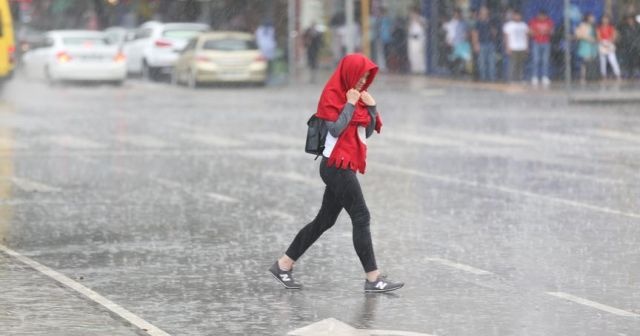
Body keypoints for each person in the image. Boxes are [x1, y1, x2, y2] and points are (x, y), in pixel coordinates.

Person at [268, 53, 404, 293]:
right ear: (349, 73)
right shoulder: (332, 95)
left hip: (345, 165)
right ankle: (373, 278)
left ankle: (283, 265)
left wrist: (371, 108)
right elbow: (336, 129)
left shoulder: (358, 96)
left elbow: (366, 133)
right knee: (361, 217)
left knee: (324, 220)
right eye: (360, 76)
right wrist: (350, 104)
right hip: (335, 167)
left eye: (366, 77)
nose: (363, 81)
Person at [471, 6, 499, 81]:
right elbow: (474, 33)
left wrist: (491, 26)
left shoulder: (491, 22)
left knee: (491, 62)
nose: (484, 14)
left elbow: (495, 33)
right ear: (480, 13)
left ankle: (492, 78)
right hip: (481, 44)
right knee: (482, 62)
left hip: (490, 44)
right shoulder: (477, 23)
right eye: (483, 12)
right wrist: (476, 44)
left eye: (486, 12)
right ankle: (483, 78)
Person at [528, 10, 554, 86]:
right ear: (538, 15)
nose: (542, 17)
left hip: (546, 42)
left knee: (545, 60)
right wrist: (539, 32)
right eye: (541, 16)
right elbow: (530, 32)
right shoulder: (533, 21)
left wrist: (545, 32)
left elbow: (552, 32)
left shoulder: (549, 21)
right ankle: (534, 77)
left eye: (544, 16)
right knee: (536, 60)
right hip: (536, 42)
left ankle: (545, 77)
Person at [503, 11, 529, 82]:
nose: (517, 17)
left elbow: (526, 36)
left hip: (522, 47)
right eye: (516, 15)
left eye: (519, 15)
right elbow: (506, 37)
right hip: (513, 47)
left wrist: (527, 46)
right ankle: (511, 79)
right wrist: (507, 47)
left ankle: (520, 78)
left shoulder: (524, 25)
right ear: (513, 16)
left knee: (520, 64)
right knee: (512, 64)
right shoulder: (508, 25)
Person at [443, 9, 470, 76]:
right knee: (452, 58)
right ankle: (453, 72)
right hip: (452, 43)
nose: (456, 15)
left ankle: (460, 72)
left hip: (460, 43)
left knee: (461, 59)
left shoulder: (463, 23)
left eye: (457, 14)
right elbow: (447, 31)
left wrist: (465, 39)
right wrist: (448, 41)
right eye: (455, 14)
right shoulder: (450, 23)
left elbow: (466, 33)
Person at [597, 14, 621, 80]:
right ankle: (603, 75)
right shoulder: (599, 27)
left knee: (613, 60)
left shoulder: (611, 27)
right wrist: (603, 43)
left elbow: (614, 35)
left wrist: (610, 42)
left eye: (606, 19)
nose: (605, 20)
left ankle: (617, 74)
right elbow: (598, 36)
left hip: (610, 43)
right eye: (604, 19)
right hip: (602, 43)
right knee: (602, 61)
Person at [576, 13, 599, 83]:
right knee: (585, 62)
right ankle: (583, 78)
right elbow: (579, 35)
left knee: (591, 61)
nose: (593, 19)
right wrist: (589, 38)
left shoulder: (594, 26)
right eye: (591, 17)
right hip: (585, 45)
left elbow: (597, 35)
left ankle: (591, 76)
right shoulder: (583, 25)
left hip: (592, 46)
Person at [616, 14, 640, 79]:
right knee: (626, 60)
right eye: (628, 19)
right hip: (625, 45)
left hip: (635, 46)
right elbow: (618, 34)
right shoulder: (623, 27)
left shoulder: (638, 26)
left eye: (631, 19)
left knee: (635, 60)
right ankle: (627, 72)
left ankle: (636, 72)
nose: (630, 20)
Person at [407, 7, 427, 74]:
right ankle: (414, 69)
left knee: (420, 54)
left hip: (419, 39)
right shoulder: (411, 21)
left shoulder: (422, 19)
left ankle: (421, 69)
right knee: (412, 54)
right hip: (412, 39)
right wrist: (411, 22)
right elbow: (408, 29)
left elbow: (425, 27)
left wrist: (417, 20)